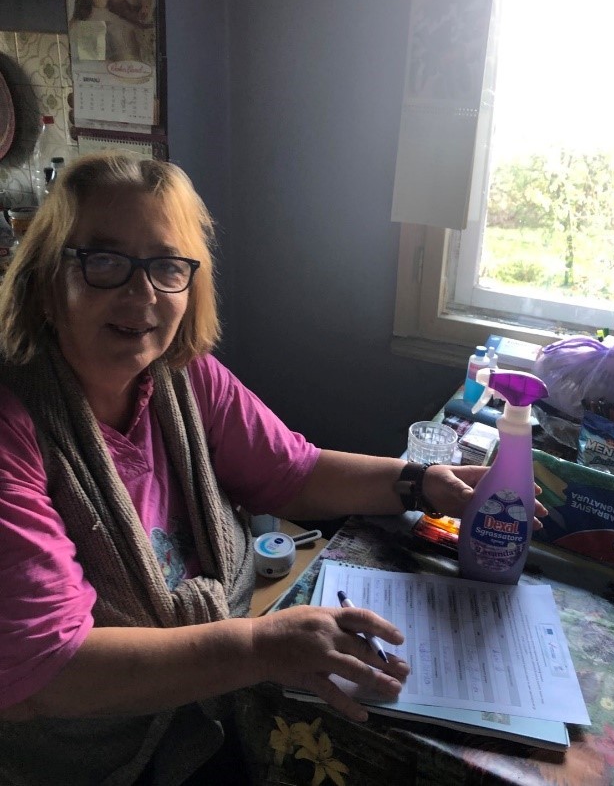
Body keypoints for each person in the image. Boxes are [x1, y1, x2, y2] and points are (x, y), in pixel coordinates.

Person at [0, 153, 545, 785]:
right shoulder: (15, 425)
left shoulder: (187, 379)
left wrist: (419, 483)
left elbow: (294, 473)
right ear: (47, 283)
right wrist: (258, 647)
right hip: (94, 752)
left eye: (167, 266)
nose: (142, 292)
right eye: (104, 260)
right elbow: (49, 669)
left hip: (213, 688)